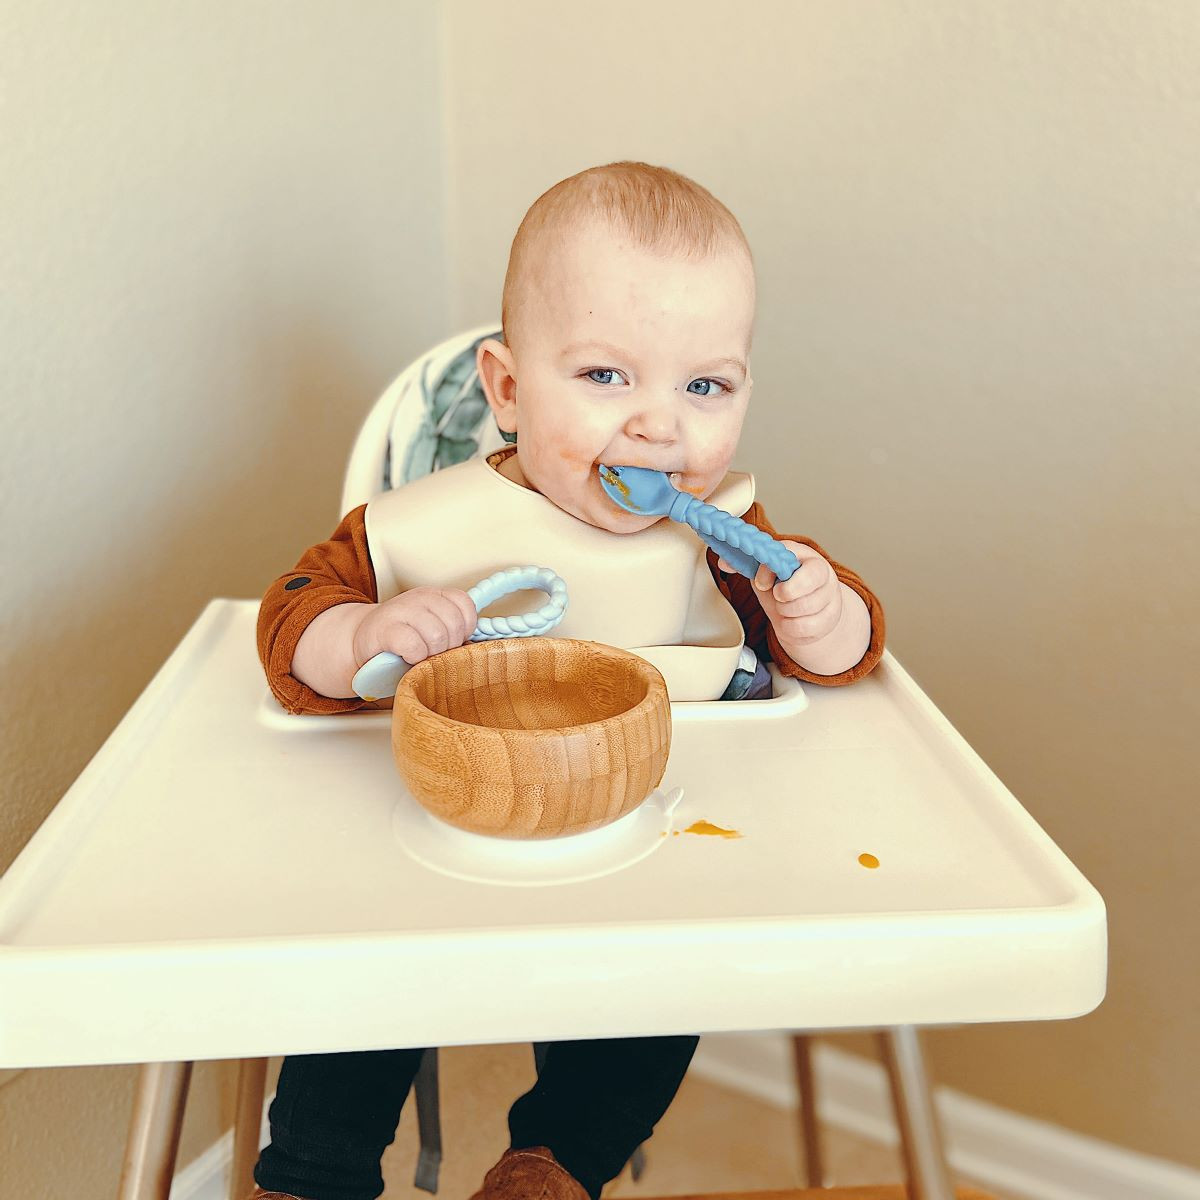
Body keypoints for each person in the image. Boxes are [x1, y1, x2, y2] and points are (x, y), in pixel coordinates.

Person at [252, 161, 884, 1200]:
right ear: (507, 388)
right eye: (604, 378)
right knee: (367, 965)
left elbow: (847, 653)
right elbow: (288, 629)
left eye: (704, 386)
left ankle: (553, 1165)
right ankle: (313, 1171)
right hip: (440, 843)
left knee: (667, 986)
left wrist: (822, 613)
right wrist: (364, 627)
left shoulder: (730, 546)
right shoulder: (423, 530)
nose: (658, 426)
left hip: (642, 852)